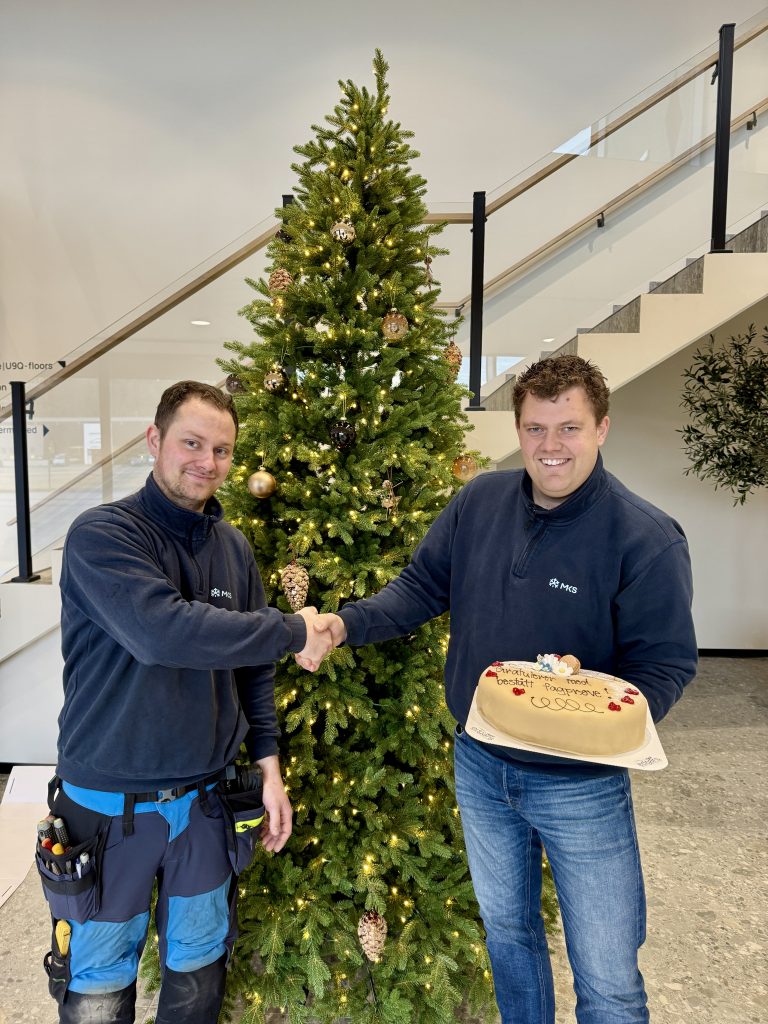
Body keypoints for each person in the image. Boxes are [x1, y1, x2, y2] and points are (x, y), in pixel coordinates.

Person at [303, 354, 697, 1024]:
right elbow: (421, 587)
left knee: (608, 976)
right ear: (518, 430)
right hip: (481, 764)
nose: (551, 446)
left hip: (581, 784)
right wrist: (343, 624)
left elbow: (665, 664)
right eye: (536, 428)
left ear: (602, 428)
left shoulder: (646, 537)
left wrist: (594, 702)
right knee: (510, 939)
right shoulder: (479, 502)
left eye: (569, 428)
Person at [39, 381, 332, 1024]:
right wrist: (295, 630)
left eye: (222, 450)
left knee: (198, 976)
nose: (207, 462)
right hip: (106, 807)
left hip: (203, 805)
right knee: (96, 987)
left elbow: (251, 670)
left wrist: (270, 768)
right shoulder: (102, 535)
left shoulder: (232, 548)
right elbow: (162, 633)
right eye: (191, 443)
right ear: (155, 440)